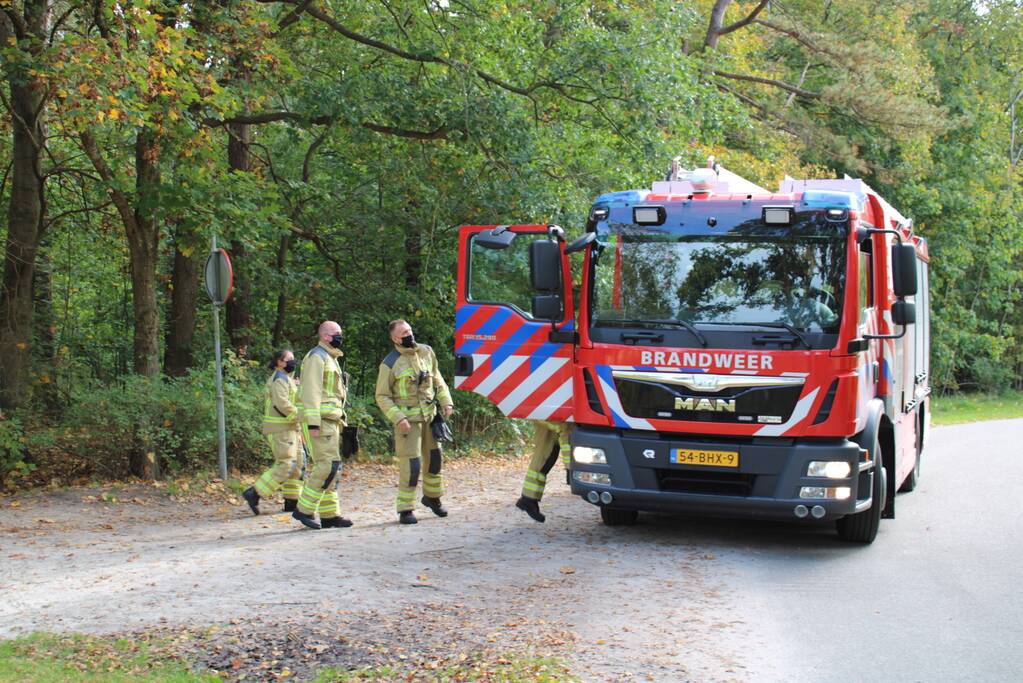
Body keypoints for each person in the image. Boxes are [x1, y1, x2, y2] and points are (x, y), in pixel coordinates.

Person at [375, 319, 454, 525]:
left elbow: (438, 378)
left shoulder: (426, 352)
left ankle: (433, 498)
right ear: (394, 338)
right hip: (408, 422)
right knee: (412, 465)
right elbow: (382, 396)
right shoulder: (390, 363)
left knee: (435, 459)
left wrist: (446, 401)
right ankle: (405, 509)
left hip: (430, 416)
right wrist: (397, 417)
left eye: (409, 330)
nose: (408, 335)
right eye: (403, 333)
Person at [292, 321, 353, 530]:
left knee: (333, 467)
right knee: (326, 465)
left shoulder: (329, 357)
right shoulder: (316, 357)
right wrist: (313, 424)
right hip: (320, 422)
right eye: (337, 333)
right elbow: (311, 392)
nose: (340, 337)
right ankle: (304, 510)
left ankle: (330, 515)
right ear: (326, 336)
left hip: (331, 421)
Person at [242, 349, 302, 515]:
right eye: (289, 359)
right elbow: (282, 404)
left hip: (290, 428)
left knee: (297, 465)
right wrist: (302, 416)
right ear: (279, 362)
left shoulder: (287, 379)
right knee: (286, 464)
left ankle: (292, 501)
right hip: (281, 429)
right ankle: (254, 493)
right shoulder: (279, 380)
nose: (293, 362)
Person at [515, 420, 571, 523]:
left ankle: (528, 499)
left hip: (545, 411)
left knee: (545, 454)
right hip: (544, 410)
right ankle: (572, 470)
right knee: (567, 427)